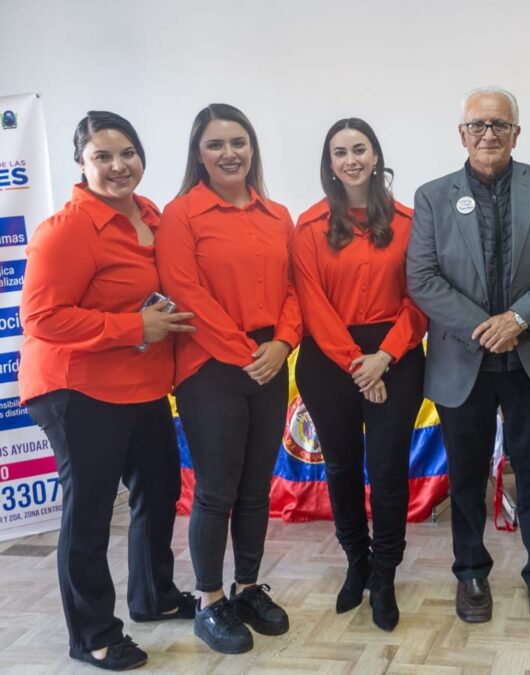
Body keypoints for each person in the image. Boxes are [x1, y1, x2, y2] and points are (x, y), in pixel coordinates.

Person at [19, 111, 197, 670]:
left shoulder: (152, 214)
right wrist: (132, 328)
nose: (118, 166)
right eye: (102, 156)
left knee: (161, 488)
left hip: (140, 384)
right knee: (91, 512)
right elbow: (42, 317)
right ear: (82, 164)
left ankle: (154, 596)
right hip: (77, 389)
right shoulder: (67, 228)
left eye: (128, 153)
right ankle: (93, 633)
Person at [406, 86, 530, 628]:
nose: (488, 134)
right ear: (461, 133)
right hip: (465, 363)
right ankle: (471, 573)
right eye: (478, 125)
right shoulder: (433, 196)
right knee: (464, 479)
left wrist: (519, 320)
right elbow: (422, 278)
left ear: (516, 133)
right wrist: (486, 329)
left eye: (499, 125)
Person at [157, 103, 301, 654]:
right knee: (216, 492)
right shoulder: (182, 214)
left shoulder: (277, 214)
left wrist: (282, 344)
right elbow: (185, 293)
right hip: (211, 369)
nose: (229, 153)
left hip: (269, 360)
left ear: (252, 148)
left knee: (255, 490)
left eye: (238, 142)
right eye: (216, 144)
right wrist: (247, 353)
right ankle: (210, 601)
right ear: (199, 153)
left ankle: (246, 588)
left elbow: (295, 290)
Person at [292, 118, 427, 631]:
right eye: (339, 152)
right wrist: (358, 364)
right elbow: (312, 304)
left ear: (376, 157)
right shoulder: (307, 228)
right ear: (329, 163)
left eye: (359, 149)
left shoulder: (412, 223)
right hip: (330, 363)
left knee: (389, 471)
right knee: (343, 469)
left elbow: (421, 298)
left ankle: (386, 574)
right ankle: (357, 562)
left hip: (397, 358)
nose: (350, 159)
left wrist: (384, 357)